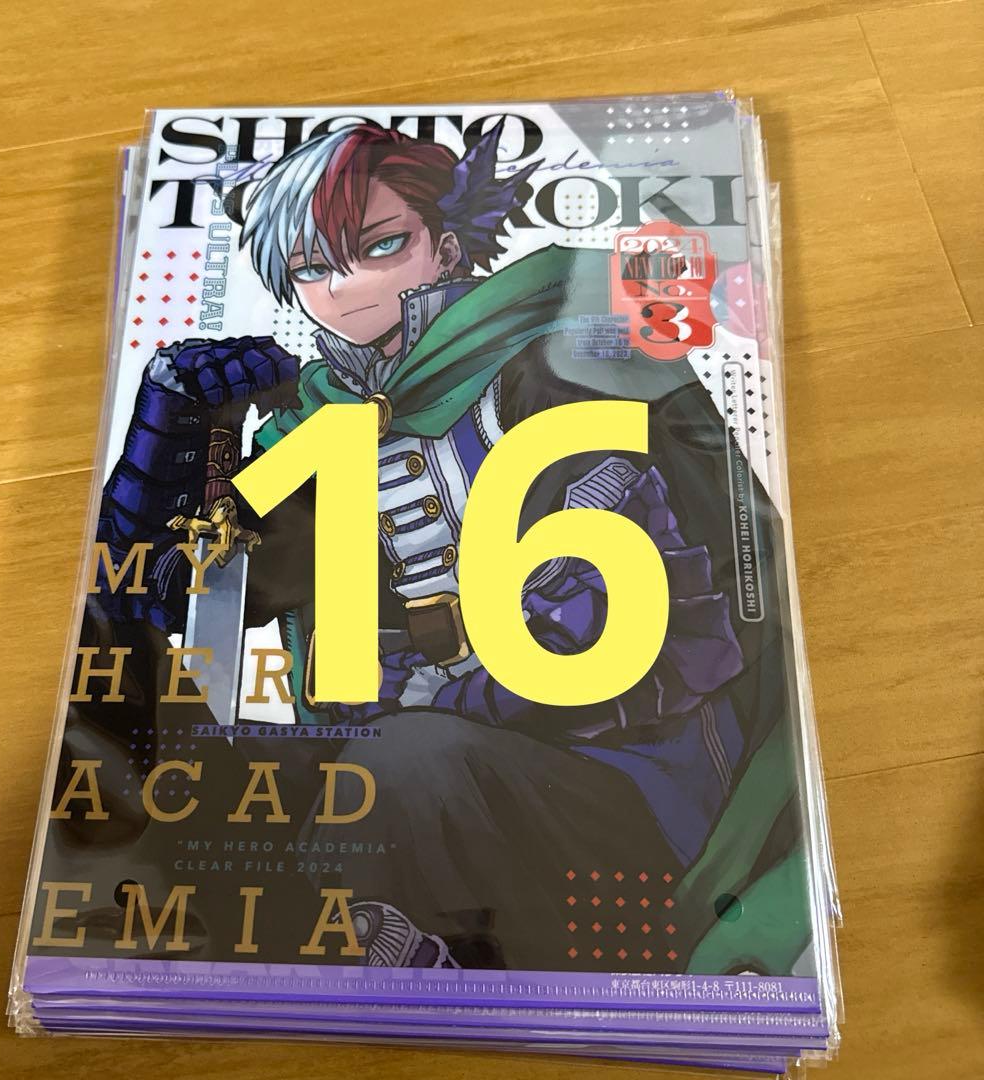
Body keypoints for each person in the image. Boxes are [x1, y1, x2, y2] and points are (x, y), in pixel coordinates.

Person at [84, 121, 793, 972]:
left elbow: (659, 638)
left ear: (444, 247)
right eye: (311, 268)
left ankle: (401, 971)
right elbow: (161, 596)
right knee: (213, 776)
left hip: (622, 790)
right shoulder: (320, 424)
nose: (344, 287)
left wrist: (431, 699)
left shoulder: (554, 367)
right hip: (423, 766)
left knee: (407, 765)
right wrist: (170, 425)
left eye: (380, 246)